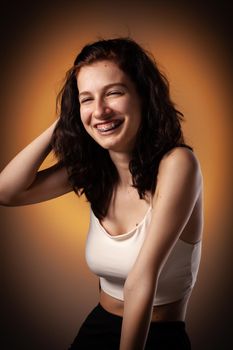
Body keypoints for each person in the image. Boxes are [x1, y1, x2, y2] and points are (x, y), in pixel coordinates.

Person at [0, 37, 203, 350]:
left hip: (157, 336)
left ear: (144, 96)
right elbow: (7, 191)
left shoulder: (178, 164)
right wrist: (70, 117)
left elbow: (141, 276)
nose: (101, 111)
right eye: (87, 99)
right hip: (98, 328)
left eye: (114, 93)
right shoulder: (95, 167)